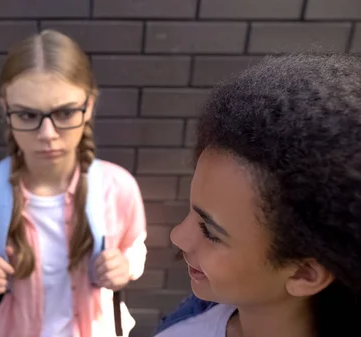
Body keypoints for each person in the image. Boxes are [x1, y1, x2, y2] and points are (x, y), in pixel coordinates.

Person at [0, 30, 148, 337]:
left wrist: (127, 266)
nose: (47, 134)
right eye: (28, 115)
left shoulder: (119, 187)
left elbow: (135, 244)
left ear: (90, 106)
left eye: (65, 112)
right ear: (5, 108)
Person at [153, 53, 361, 337]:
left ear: (305, 273)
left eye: (210, 231)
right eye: (191, 211)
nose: (177, 236)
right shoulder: (188, 321)